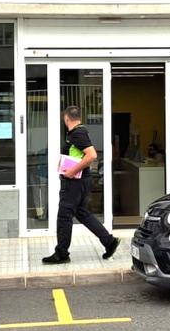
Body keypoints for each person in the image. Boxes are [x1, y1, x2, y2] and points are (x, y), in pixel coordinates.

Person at [42, 105, 121, 265]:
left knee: (64, 216)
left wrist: (71, 171)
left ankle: (61, 253)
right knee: (82, 213)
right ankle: (109, 242)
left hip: (74, 183)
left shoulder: (78, 133)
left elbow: (91, 155)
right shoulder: (78, 132)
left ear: (66, 118)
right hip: (81, 181)